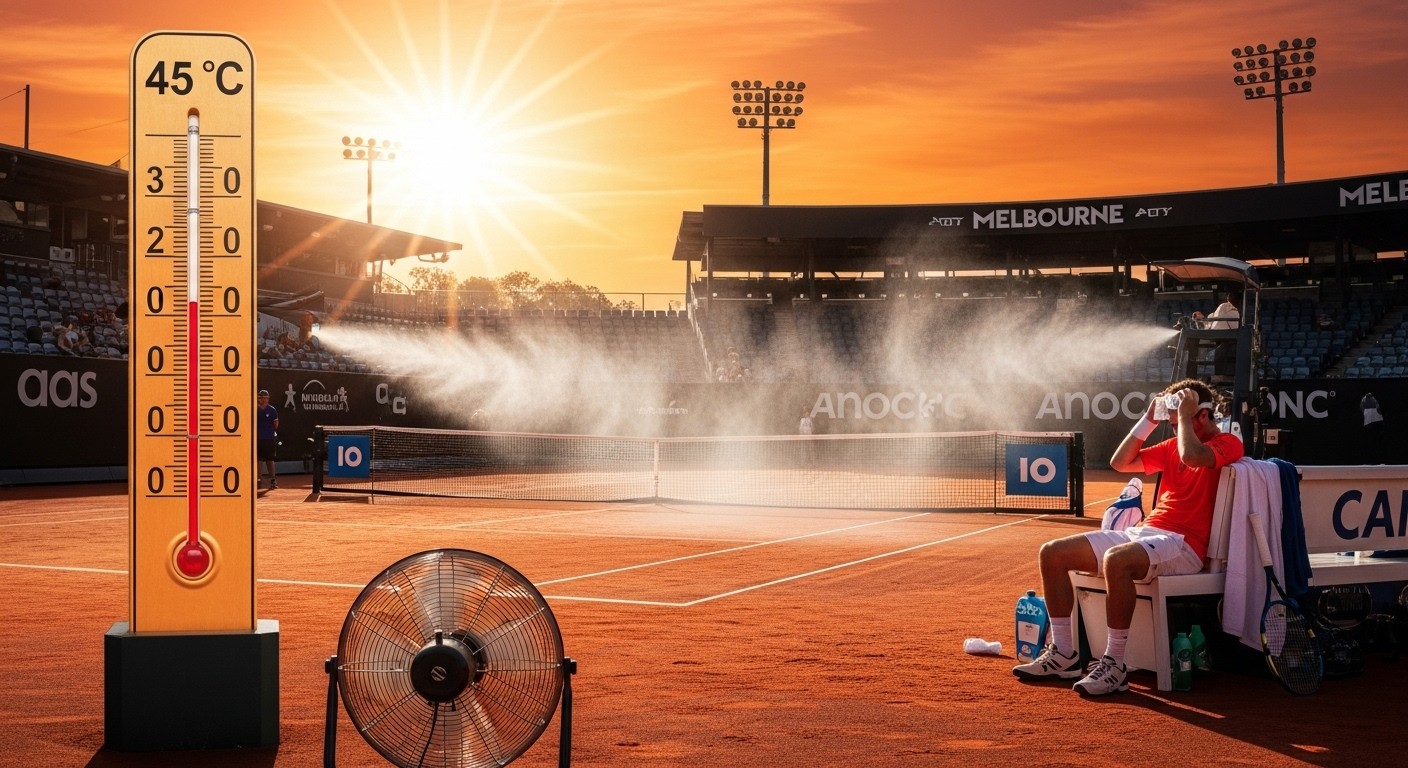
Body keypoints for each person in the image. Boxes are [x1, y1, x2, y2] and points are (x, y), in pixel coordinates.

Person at [1012, 378, 1244, 696]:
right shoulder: (1173, 445)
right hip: (1146, 533)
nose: (1174, 427)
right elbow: (1120, 463)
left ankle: (1115, 665)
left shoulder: (1228, 443)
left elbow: (1192, 456)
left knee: (1117, 560)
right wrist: (1148, 420)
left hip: (1184, 545)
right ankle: (1064, 654)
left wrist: (1184, 415)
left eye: (1178, 421)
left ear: (1202, 415)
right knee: (1052, 553)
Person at [257, 389, 280, 489]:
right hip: (257, 439)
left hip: (269, 439)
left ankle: (273, 480)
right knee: (258, 460)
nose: (263, 400)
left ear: (268, 399)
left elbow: (276, 424)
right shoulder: (254, 409)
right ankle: (258, 480)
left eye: (265, 398)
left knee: (270, 460)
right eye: (261, 398)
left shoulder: (272, 410)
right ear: (258, 399)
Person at [1361, 392, 1385, 464]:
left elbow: (1379, 409)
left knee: (1377, 442)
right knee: (1370, 442)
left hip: (1376, 422)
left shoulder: (1374, 401)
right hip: (1369, 423)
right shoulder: (1363, 401)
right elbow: (1362, 410)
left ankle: (1379, 460)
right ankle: (1369, 460)